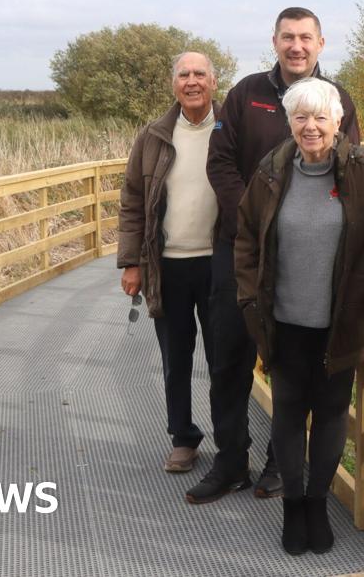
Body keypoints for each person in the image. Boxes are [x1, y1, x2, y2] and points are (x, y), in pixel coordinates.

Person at [192, 7, 361, 504]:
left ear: (320, 43)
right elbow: (220, 163)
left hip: (306, 259)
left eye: (305, 37)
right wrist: (254, 217)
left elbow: (351, 169)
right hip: (240, 251)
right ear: (275, 40)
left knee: (293, 364)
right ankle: (230, 461)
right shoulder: (246, 95)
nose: (296, 46)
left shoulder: (337, 100)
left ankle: (279, 463)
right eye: (288, 37)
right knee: (228, 359)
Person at [235, 77, 364, 555]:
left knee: (329, 415)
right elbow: (245, 238)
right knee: (287, 412)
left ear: (338, 121)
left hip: (338, 322)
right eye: (300, 117)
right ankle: (292, 506)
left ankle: (317, 506)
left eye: (320, 117)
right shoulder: (270, 172)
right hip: (282, 320)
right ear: (289, 122)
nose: (310, 127)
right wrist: (249, 300)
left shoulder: (363, 171)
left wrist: (356, 292)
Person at [117, 51, 220, 475]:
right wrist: (131, 263)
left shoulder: (232, 129)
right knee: (175, 358)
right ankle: (183, 437)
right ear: (172, 83)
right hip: (168, 265)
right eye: (183, 74)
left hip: (220, 263)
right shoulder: (154, 135)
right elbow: (132, 202)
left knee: (225, 359)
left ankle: (232, 441)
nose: (191, 81)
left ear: (214, 81)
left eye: (199, 74)